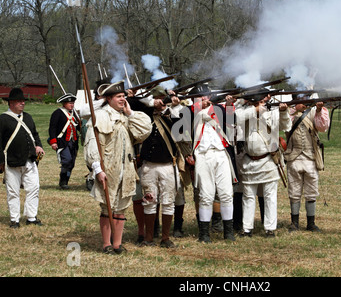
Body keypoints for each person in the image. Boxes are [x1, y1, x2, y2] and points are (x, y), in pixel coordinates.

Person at [84, 81, 152, 254]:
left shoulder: (126, 117)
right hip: (108, 169)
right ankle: (106, 244)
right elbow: (93, 144)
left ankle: (117, 244)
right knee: (107, 207)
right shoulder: (99, 116)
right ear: (109, 99)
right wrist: (98, 169)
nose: (123, 99)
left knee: (121, 207)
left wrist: (130, 112)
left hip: (127, 169)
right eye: (119, 97)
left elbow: (145, 130)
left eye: (124, 96)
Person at [127, 88, 187, 248]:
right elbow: (131, 103)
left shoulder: (173, 113)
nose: (161, 101)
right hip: (148, 165)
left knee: (168, 202)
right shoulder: (145, 113)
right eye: (158, 98)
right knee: (149, 201)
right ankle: (148, 238)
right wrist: (152, 102)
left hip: (168, 165)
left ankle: (165, 238)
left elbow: (182, 131)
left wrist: (171, 107)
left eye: (162, 98)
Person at [183, 84, 238, 242]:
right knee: (206, 195)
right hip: (202, 155)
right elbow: (181, 120)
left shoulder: (218, 109)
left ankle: (228, 232)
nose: (205, 98)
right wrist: (199, 106)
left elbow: (231, 120)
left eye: (206, 96)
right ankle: (204, 234)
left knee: (226, 194)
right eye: (201, 97)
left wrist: (228, 105)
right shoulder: (190, 111)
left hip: (221, 153)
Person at [234, 90, 291, 237]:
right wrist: (255, 109)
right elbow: (236, 118)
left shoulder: (272, 112)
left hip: (268, 161)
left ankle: (270, 228)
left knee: (270, 197)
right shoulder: (245, 111)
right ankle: (247, 229)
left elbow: (286, 126)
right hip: (249, 161)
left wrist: (283, 111)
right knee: (248, 196)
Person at [0, 88, 45, 228]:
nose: (22, 103)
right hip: (11, 161)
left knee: (33, 188)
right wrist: (1, 161)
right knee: (13, 191)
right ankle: (15, 219)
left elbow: (35, 134)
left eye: (23, 101)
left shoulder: (28, 117)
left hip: (30, 159)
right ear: (11, 103)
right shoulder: (2, 119)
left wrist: (39, 146)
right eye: (19, 101)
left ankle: (31, 217)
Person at [284, 98, 330, 232]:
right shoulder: (288, 111)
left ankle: (311, 223)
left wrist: (319, 110)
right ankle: (294, 223)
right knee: (294, 191)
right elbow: (285, 125)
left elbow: (322, 127)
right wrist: (295, 109)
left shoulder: (316, 111)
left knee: (311, 192)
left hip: (310, 157)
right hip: (294, 156)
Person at [48, 93, 80, 190]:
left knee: (72, 163)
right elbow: (52, 128)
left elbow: (78, 126)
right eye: (70, 103)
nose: (72, 105)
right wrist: (53, 141)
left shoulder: (74, 113)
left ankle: (66, 181)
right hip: (62, 141)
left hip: (73, 142)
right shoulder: (58, 113)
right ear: (64, 103)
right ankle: (63, 182)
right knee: (67, 160)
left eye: (73, 103)